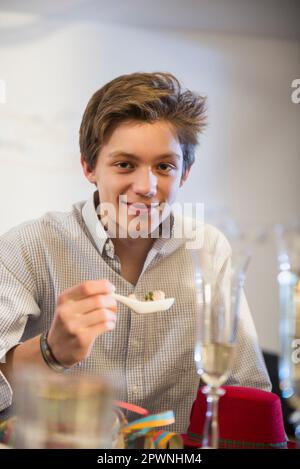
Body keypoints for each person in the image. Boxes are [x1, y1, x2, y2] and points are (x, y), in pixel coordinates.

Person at [0, 72, 271, 433]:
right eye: (124, 164)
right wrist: (51, 351)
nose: (146, 187)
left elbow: (247, 392)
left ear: (185, 173)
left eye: (164, 166)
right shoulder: (28, 247)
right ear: (89, 167)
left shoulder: (208, 250)